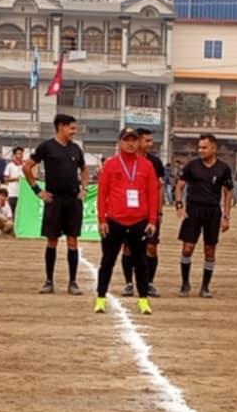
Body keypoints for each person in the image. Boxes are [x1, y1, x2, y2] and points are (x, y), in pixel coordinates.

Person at [94, 127, 158, 316]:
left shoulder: (146, 166)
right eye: (126, 140)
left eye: (134, 140)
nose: (130, 143)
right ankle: (100, 298)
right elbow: (102, 193)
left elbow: (153, 194)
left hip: (139, 221)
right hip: (115, 221)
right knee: (107, 261)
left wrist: (152, 220)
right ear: (120, 142)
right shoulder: (110, 165)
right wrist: (102, 219)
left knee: (141, 262)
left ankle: (143, 299)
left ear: (138, 142)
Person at [26, 112, 87, 295]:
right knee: (52, 240)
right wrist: (38, 191)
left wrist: (84, 188)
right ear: (61, 127)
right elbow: (27, 167)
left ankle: (73, 282)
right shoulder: (46, 147)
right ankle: (49, 281)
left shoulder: (76, 149)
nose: (74, 132)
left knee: (72, 241)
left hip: (73, 201)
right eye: (72, 128)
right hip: (54, 201)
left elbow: (84, 169)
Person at [175, 132, 233, 297]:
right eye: (199, 147)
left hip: (213, 212)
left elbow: (228, 192)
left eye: (204, 147)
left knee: (209, 250)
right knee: (187, 248)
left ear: (213, 148)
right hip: (193, 210)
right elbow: (179, 185)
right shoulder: (191, 166)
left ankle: (205, 287)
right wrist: (179, 205)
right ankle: (185, 284)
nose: (200, 150)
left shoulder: (223, 168)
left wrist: (226, 216)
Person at [126, 128, 166, 297]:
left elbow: (159, 187)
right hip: (129, 212)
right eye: (147, 141)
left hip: (149, 213)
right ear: (138, 141)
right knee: (128, 248)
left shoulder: (155, 162)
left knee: (151, 247)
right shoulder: (126, 160)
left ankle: (149, 283)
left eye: (151, 140)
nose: (151, 144)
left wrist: (159, 211)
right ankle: (129, 283)